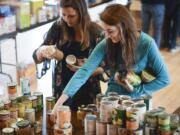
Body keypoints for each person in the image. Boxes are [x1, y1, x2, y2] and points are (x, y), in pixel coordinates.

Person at [52, 4, 170, 114]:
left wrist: (136, 90)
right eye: (105, 31)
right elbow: (84, 71)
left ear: (123, 27)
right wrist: (59, 102)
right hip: (111, 101)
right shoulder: (107, 43)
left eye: (110, 31)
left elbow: (164, 79)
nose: (106, 36)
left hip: (136, 105)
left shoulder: (147, 44)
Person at [33, 0, 104, 111]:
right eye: (64, 15)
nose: (66, 20)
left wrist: (85, 71)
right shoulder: (58, 27)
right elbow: (37, 57)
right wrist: (42, 51)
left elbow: (107, 68)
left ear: (82, 13)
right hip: (62, 86)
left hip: (87, 88)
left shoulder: (96, 33)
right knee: (62, 120)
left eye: (71, 16)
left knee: (85, 121)